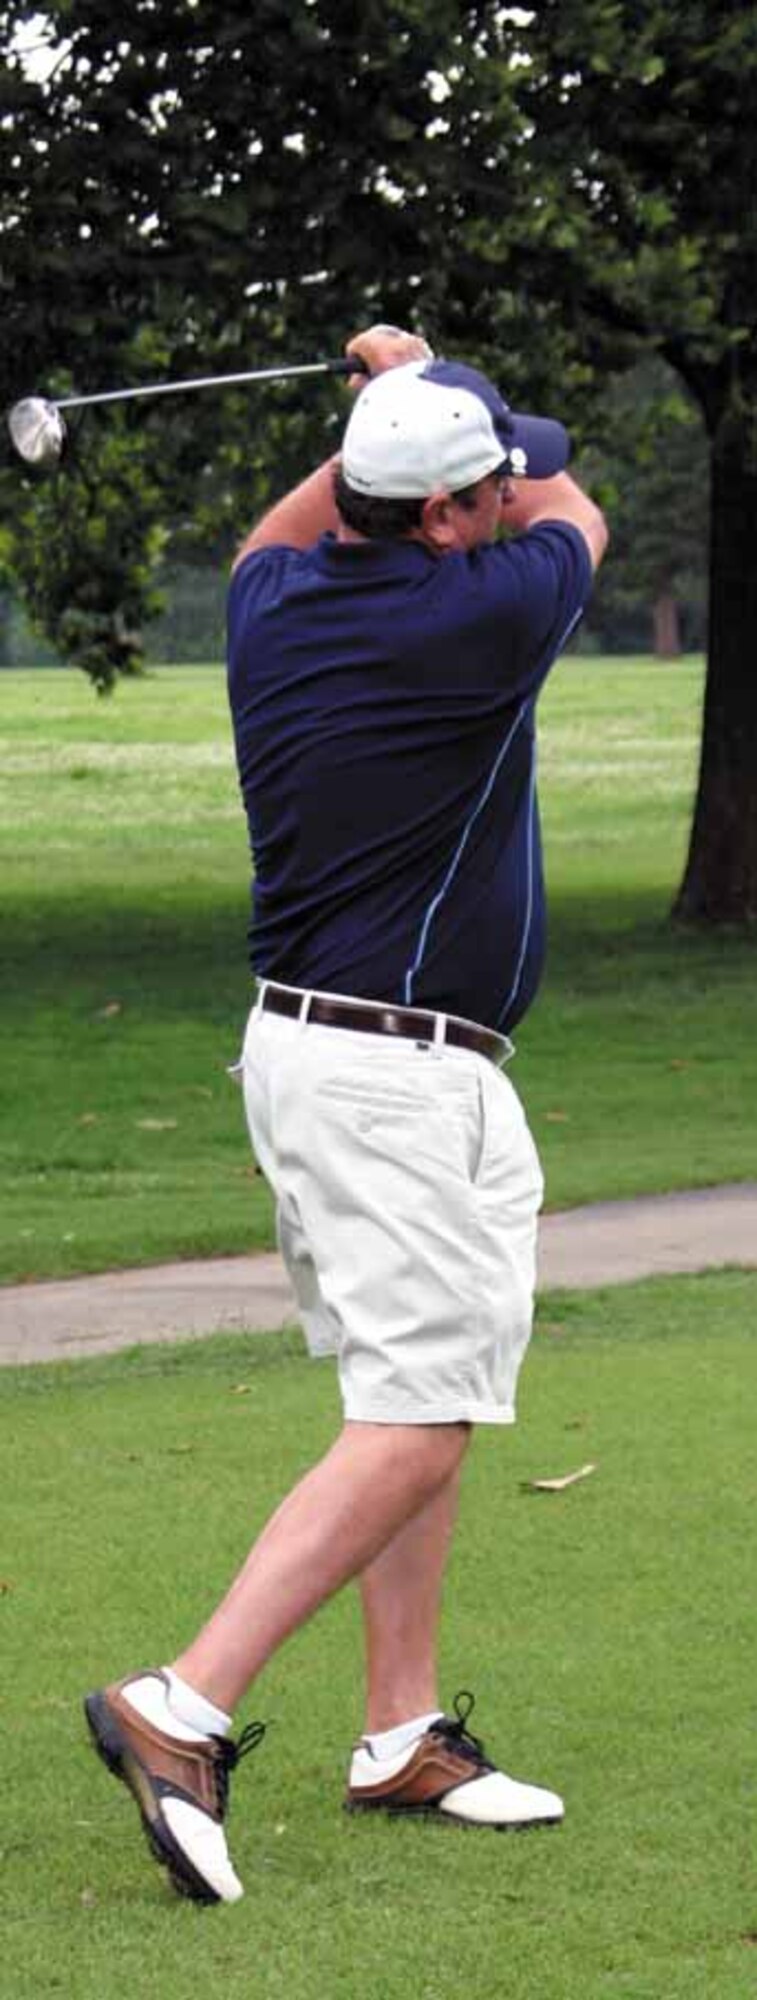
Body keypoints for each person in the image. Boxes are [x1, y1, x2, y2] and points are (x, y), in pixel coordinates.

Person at [84, 323, 607, 1907]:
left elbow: (275, 527)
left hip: (362, 1062)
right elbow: (584, 515)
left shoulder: (275, 601)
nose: (513, 494)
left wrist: (385, 409)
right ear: (442, 520)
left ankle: (397, 1732)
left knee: (409, 1390)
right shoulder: (493, 606)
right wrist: (420, 381)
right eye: (484, 483)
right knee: (423, 1414)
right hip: (386, 1077)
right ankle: (179, 1706)